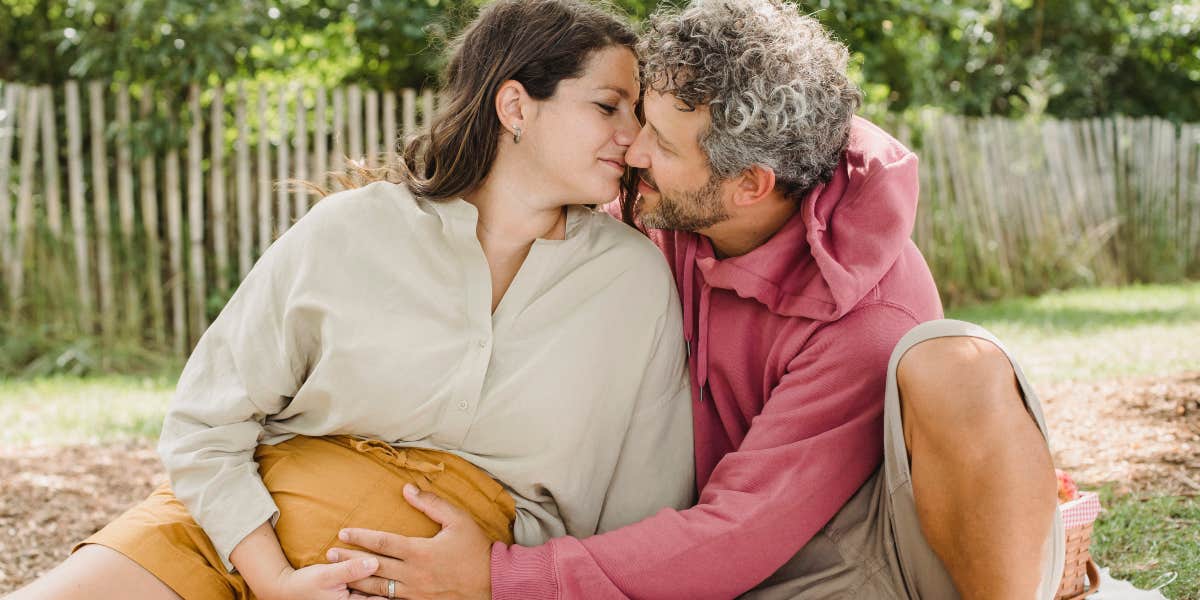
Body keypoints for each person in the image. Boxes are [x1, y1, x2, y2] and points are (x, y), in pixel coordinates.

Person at [336, 0, 1065, 598]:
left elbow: (742, 527)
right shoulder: (668, 211)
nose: (632, 150)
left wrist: (502, 581)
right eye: (637, 120)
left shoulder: (865, 310)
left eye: (660, 140)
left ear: (750, 183)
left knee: (955, 364)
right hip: (713, 552)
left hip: (874, 561)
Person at [5, 1, 696, 599]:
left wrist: (506, 581)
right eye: (609, 107)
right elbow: (204, 421)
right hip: (228, 535)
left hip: (436, 574)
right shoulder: (354, 229)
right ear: (515, 105)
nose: (635, 140)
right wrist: (272, 576)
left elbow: (644, 518)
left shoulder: (631, 284)